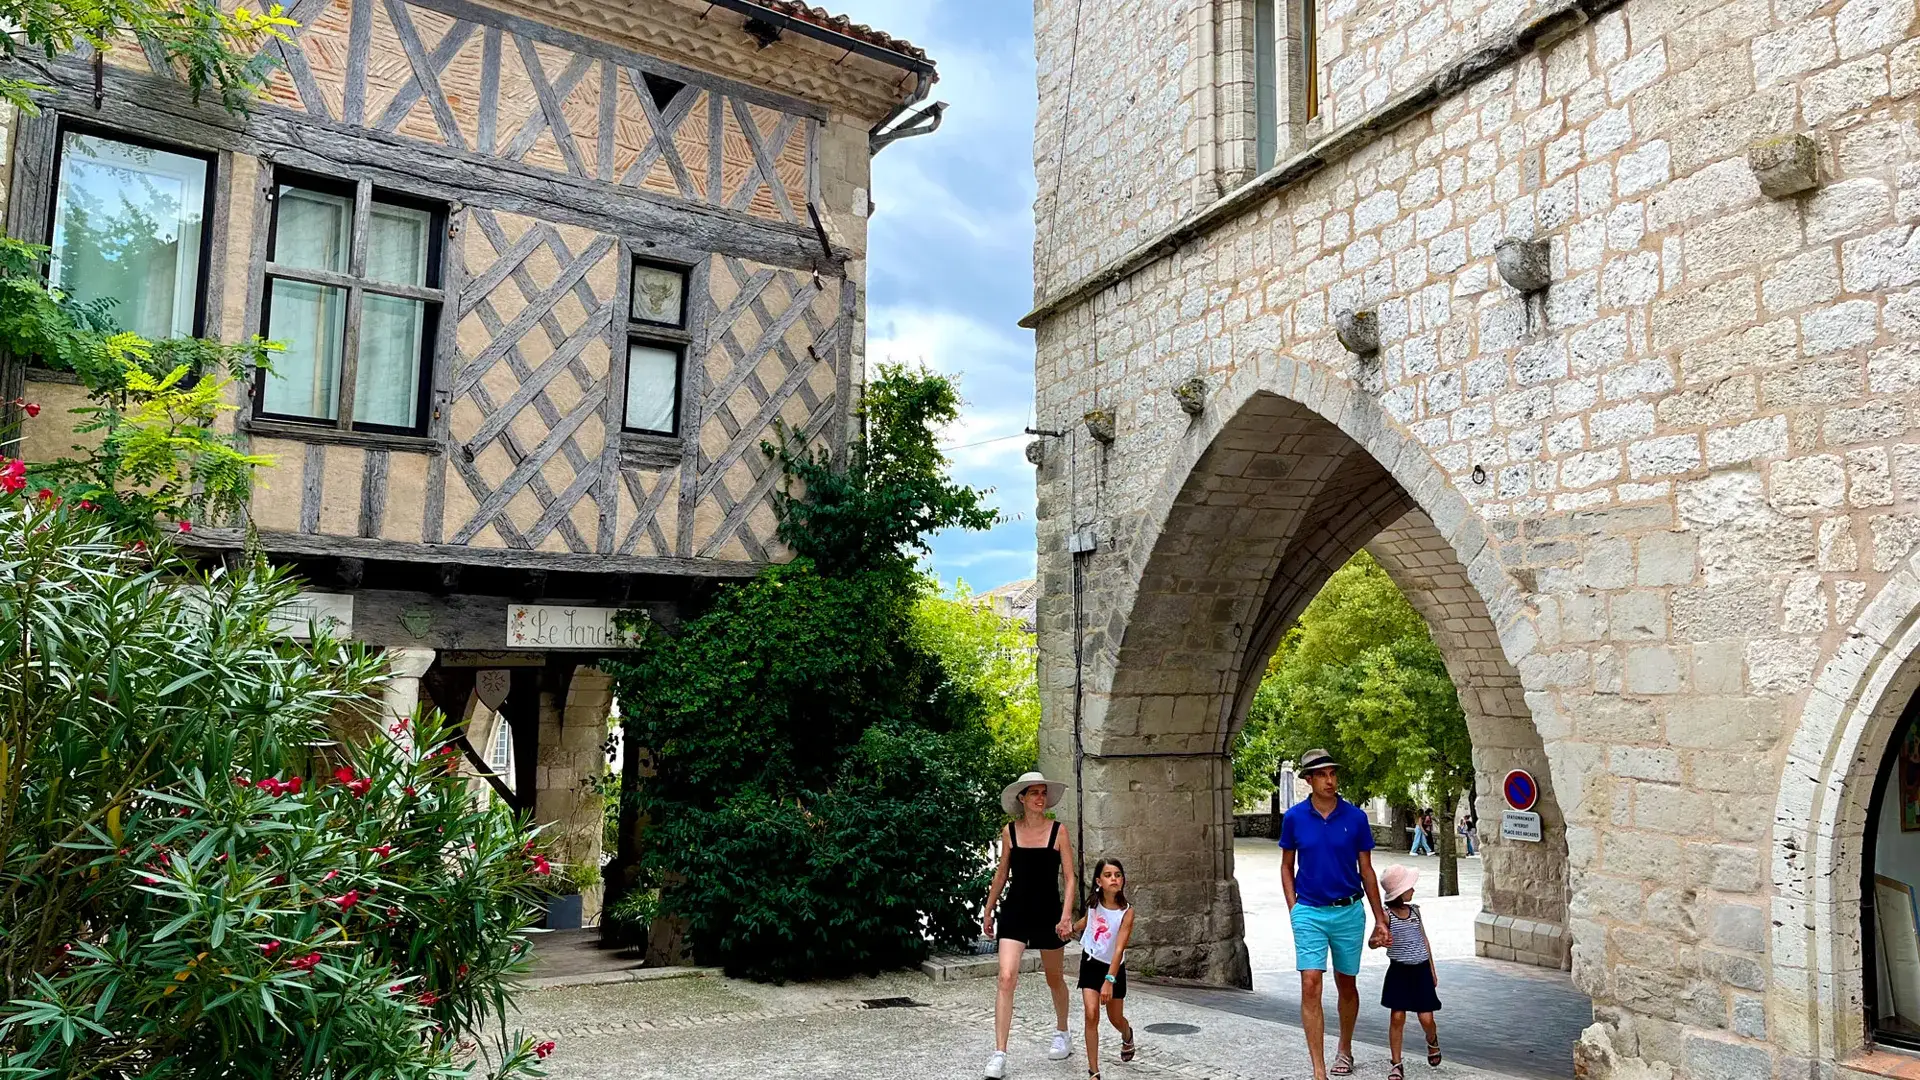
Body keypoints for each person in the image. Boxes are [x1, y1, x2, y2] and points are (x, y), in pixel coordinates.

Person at [1280, 749, 1392, 1080]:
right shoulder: (1295, 818)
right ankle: (1318, 1070)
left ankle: (1344, 1048)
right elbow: (1287, 866)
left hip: (1348, 912)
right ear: (1309, 780)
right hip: (1309, 912)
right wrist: (1293, 908)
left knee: (1347, 984)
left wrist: (1380, 918)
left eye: (1333, 773)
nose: (1330, 780)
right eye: (1322, 775)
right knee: (1310, 982)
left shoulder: (1355, 818)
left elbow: (1367, 871)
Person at [981, 771, 1078, 1079]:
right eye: (1034, 793)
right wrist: (988, 908)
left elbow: (1070, 878)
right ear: (1021, 799)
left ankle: (1063, 1031)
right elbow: (1001, 874)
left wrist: (1066, 916)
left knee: (1054, 978)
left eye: (1043, 792)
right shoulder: (1009, 831)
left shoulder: (1058, 831)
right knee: (1006, 976)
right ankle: (999, 1054)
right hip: (1016, 912)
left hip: (1049, 913)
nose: (1040, 797)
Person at [1375, 864, 1443, 1078]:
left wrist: (1432, 968)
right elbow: (1372, 940)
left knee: (1427, 1018)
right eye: (1409, 886)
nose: (1413, 889)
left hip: (1421, 969)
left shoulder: (1415, 912)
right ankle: (1396, 1062)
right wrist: (1377, 941)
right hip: (1399, 972)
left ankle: (1432, 1040)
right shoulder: (1386, 917)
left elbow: (1424, 939)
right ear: (1400, 892)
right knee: (1397, 1017)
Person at [1072, 858, 1136, 1080]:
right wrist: (1070, 928)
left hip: (1114, 968)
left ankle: (1127, 1034)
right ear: (1099, 881)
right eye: (1108, 875)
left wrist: (1109, 980)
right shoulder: (1094, 901)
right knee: (1091, 1014)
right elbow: (1088, 920)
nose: (1114, 879)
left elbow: (1119, 949)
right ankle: (1093, 1071)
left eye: (1118, 875)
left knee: (1115, 1018)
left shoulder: (1126, 912)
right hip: (1090, 961)